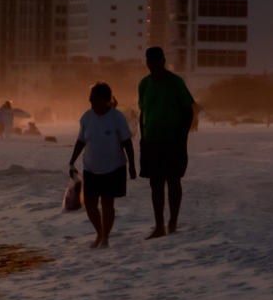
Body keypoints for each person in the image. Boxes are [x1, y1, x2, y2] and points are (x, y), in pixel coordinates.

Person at [137, 46, 200, 239]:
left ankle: (172, 221)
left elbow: (188, 110)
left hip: (174, 140)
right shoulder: (144, 84)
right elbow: (143, 111)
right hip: (151, 141)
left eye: (157, 61)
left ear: (163, 62)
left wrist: (182, 139)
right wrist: (143, 137)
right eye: (150, 62)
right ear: (147, 63)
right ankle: (159, 226)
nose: (154, 65)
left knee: (173, 180)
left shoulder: (175, 82)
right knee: (155, 184)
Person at [68, 82, 136, 249]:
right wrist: (71, 162)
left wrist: (132, 166)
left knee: (107, 203)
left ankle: (105, 237)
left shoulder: (117, 117)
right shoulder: (86, 117)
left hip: (114, 167)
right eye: (90, 99)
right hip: (91, 167)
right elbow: (80, 141)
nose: (91, 102)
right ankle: (99, 232)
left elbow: (127, 143)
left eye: (94, 98)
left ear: (105, 99)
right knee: (90, 204)